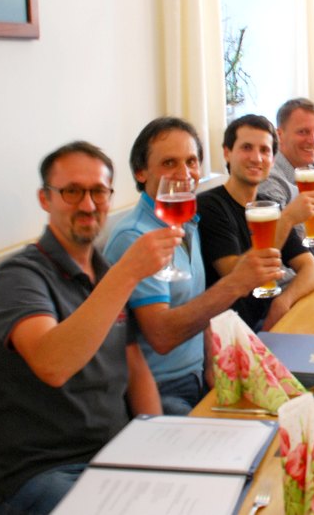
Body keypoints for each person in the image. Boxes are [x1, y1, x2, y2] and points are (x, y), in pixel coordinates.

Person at [0, 141, 180, 514]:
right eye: (72, 191)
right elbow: (52, 364)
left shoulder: (105, 272)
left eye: (98, 192)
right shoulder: (18, 276)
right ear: (45, 199)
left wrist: (155, 444)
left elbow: (135, 368)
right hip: (44, 472)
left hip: (116, 454)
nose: (88, 205)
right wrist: (128, 273)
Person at [104, 117, 282, 415]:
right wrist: (235, 283)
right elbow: (162, 336)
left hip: (200, 376)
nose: (184, 174)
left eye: (191, 162)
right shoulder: (135, 237)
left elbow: (198, 304)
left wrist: (214, 365)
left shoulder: (186, 223)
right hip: (162, 390)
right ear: (140, 172)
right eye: (169, 163)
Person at [196, 115, 314, 331]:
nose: (256, 158)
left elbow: (313, 269)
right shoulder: (210, 206)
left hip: (269, 322)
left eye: (264, 150)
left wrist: (282, 302)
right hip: (234, 332)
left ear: (272, 160)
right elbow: (236, 277)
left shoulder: (268, 207)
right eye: (246, 148)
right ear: (227, 153)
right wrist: (287, 219)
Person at [258, 98, 314, 270]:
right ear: (280, 135)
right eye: (303, 132)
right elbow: (283, 247)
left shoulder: (308, 171)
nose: (313, 140)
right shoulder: (270, 179)